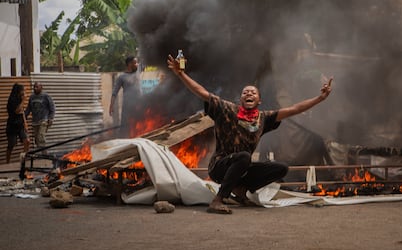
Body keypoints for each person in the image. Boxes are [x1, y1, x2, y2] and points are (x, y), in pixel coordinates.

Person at [167, 53, 333, 214]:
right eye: (245, 92)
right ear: (241, 99)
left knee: (281, 168)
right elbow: (201, 92)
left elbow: (294, 109)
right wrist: (181, 74)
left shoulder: (264, 118)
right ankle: (218, 200)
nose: (249, 94)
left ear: (259, 100)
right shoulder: (227, 110)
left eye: (253, 92)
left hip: (243, 168)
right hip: (219, 167)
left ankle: (241, 189)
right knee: (244, 156)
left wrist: (320, 98)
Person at [109, 56, 142, 136]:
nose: (137, 64)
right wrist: (111, 105)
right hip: (128, 107)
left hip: (140, 104)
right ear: (129, 64)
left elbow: (146, 59)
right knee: (126, 127)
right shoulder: (122, 77)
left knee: (140, 125)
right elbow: (114, 92)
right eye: (135, 63)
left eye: (137, 62)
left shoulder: (138, 71)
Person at [25, 82, 56, 153]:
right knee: (37, 139)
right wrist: (24, 116)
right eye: (34, 87)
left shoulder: (46, 96)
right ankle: (42, 153)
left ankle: (45, 154)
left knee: (41, 137)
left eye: (37, 87)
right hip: (35, 121)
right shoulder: (32, 97)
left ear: (41, 88)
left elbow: (52, 108)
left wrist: (51, 118)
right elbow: (28, 108)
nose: (35, 88)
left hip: (44, 120)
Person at [5, 83, 30, 163]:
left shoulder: (20, 99)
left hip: (20, 125)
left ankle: (23, 160)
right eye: (22, 90)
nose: (24, 92)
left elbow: (22, 111)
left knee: (27, 141)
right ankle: (7, 162)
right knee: (11, 145)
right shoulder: (11, 100)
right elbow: (17, 110)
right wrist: (23, 100)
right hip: (12, 125)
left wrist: (25, 123)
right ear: (18, 91)